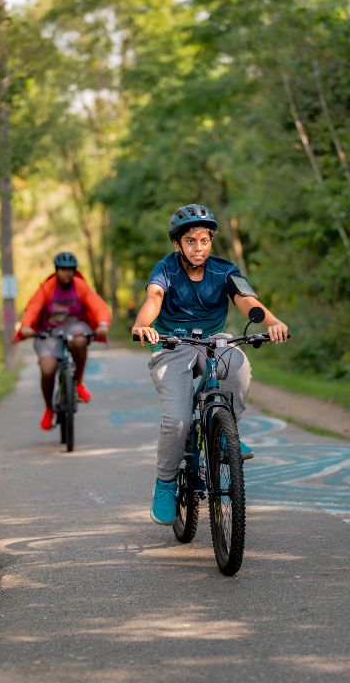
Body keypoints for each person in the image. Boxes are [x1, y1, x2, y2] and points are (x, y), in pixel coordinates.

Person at [130, 203, 289, 525]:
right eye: (191, 241)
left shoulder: (224, 269)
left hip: (214, 340)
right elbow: (154, 298)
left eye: (204, 240)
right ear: (178, 244)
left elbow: (245, 299)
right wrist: (141, 325)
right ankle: (165, 483)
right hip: (172, 344)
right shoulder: (166, 269)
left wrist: (271, 321)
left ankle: (224, 430)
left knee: (238, 366)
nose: (198, 248)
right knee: (177, 420)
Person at [15, 251, 112, 431]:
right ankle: (49, 409)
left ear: (74, 271)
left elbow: (98, 306)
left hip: (75, 326)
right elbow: (33, 307)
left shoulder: (80, 286)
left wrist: (103, 323)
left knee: (79, 340)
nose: (66, 273)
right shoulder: (47, 288)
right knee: (48, 368)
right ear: (56, 270)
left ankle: (78, 384)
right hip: (48, 332)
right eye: (63, 269)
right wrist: (27, 326)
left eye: (70, 269)